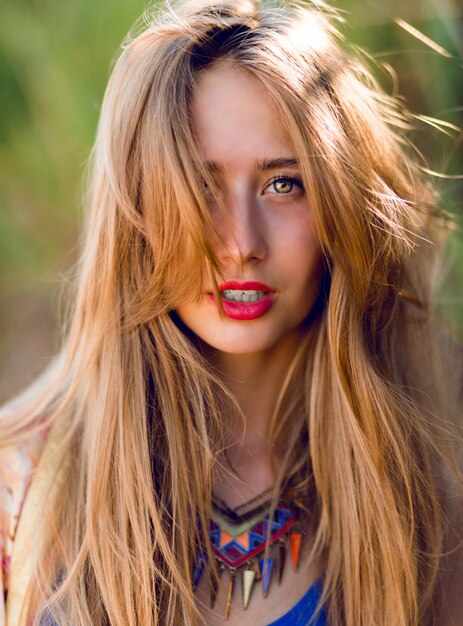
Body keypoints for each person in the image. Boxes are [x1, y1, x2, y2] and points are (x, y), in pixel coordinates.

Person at [1, 0, 462, 624]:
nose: (242, 241)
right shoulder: (17, 490)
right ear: (135, 212)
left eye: (283, 184)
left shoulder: (423, 508)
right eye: (199, 186)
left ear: (341, 209)